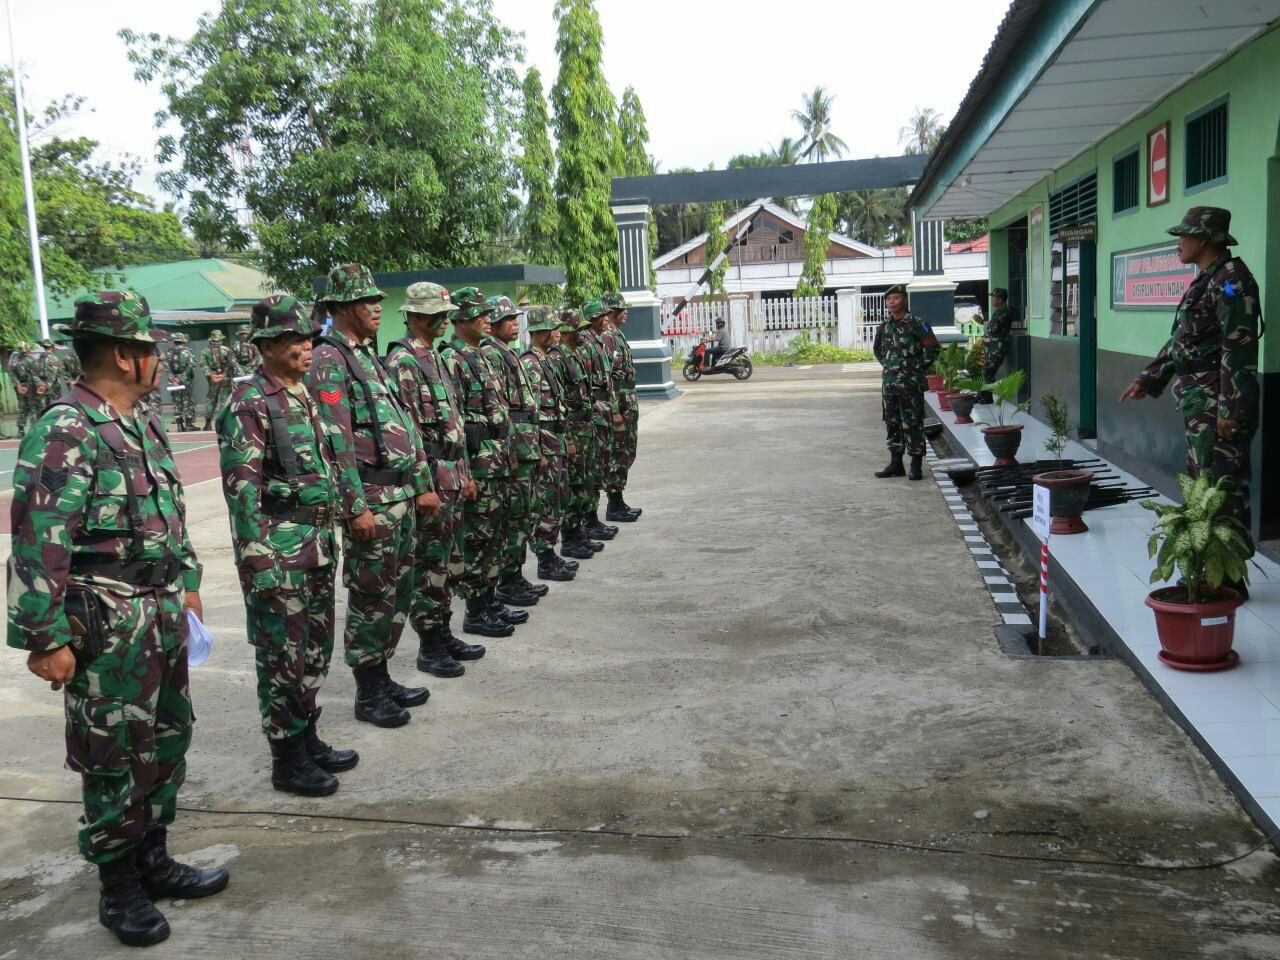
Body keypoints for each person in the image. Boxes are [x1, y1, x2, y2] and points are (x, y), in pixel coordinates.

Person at [7, 290, 227, 947]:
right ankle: (119, 886)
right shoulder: (66, 426)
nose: (160, 360)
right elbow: (38, 536)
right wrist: (44, 638)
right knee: (112, 756)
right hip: (103, 622)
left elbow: (170, 514)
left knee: (166, 741)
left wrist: (187, 583)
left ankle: (152, 860)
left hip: (157, 614)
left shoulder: (140, 420)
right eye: (152, 349)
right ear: (129, 356)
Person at [216, 295, 357, 797]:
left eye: (309, 339)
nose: (307, 347)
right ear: (269, 345)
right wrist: (260, 565)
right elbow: (242, 491)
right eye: (297, 340)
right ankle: (287, 758)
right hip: (279, 553)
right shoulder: (249, 403)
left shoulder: (303, 395)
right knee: (282, 659)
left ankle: (308, 737)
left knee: (314, 653)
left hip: (316, 545)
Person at [309, 263, 436, 727]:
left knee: (398, 593)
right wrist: (354, 506)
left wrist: (420, 482)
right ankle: (368, 691)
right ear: (341, 307)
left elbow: (401, 424)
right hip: (373, 501)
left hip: (398, 493)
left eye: (377, 300)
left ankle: (382, 677)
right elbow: (335, 441)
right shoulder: (329, 360)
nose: (377, 307)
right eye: (367, 301)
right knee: (371, 595)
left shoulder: (366, 355)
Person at [1120, 206, 1262, 597]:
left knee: (1223, 487)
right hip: (1202, 402)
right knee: (1204, 486)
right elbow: (1184, 340)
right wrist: (1149, 378)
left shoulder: (1232, 281)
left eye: (1184, 236)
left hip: (1219, 403)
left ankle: (1228, 578)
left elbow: (1239, 347)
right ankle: (1209, 571)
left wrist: (1230, 409)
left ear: (1204, 239)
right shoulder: (1206, 280)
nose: (1178, 242)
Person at [386, 282, 487, 675]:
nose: (443, 318)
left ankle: (443, 631)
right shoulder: (404, 361)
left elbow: (453, 422)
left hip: (453, 475)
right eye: (434, 313)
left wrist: (466, 472)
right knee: (430, 565)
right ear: (413, 316)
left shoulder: (439, 358)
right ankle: (429, 644)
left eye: (444, 311)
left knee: (451, 562)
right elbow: (408, 433)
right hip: (430, 479)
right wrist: (422, 485)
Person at [439, 288, 520, 637]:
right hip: (477, 461)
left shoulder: (482, 355)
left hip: (497, 456)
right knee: (476, 537)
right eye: (479, 315)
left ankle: (488, 600)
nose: (487, 320)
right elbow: (453, 420)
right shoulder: (453, 358)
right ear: (460, 320)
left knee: (495, 535)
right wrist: (465, 473)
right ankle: (474, 609)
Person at [481, 296, 547, 608]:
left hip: (525, 445)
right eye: (507, 319)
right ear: (492, 323)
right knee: (512, 517)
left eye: (513, 318)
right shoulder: (491, 354)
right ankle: (506, 580)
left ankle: (514, 574)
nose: (513, 323)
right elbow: (501, 409)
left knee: (524, 515)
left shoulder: (507, 352)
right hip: (514, 448)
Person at [521, 307, 577, 582]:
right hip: (544, 440)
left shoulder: (546, 360)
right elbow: (529, 412)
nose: (557, 333)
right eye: (552, 329)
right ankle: (544, 557)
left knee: (557, 498)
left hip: (555, 439)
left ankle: (551, 552)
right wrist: (538, 449)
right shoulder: (530, 363)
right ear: (539, 331)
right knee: (544, 502)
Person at [872, 284, 940, 481]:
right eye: (888, 299)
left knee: (912, 423)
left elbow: (932, 349)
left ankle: (916, 464)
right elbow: (878, 350)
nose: (891, 302)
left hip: (911, 384)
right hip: (890, 384)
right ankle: (896, 464)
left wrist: (916, 368)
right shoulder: (884, 326)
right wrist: (890, 366)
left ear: (905, 300)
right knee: (892, 423)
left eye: (896, 298)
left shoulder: (917, 323)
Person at [551, 311, 600, 561]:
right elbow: (559, 402)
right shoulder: (557, 358)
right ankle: (569, 538)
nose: (583, 333)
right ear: (567, 331)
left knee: (585, 482)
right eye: (577, 329)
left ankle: (579, 532)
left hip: (585, 426)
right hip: (574, 429)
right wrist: (568, 437)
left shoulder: (574, 355)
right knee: (574, 485)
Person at [579, 299, 621, 542]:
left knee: (602, 466)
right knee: (593, 469)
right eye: (602, 316)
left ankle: (593, 519)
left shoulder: (598, 342)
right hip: (594, 413)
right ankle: (589, 519)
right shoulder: (586, 344)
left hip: (603, 411)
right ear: (593, 318)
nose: (606, 318)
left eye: (607, 315)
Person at [601, 292, 642, 522]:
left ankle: (619, 499)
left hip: (628, 401)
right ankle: (613, 503)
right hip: (619, 403)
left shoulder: (618, 335)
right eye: (621, 308)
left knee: (627, 450)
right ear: (609, 312)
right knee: (617, 451)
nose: (625, 312)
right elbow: (605, 376)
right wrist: (614, 409)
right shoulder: (607, 338)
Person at [200, 329, 234, 430]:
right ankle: (223, 423)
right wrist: (224, 374)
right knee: (224, 400)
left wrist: (211, 375)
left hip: (213, 379)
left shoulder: (205, 351)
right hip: (225, 378)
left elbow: (203, 365)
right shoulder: (227, 350)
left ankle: (207, 424)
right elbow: (231, 364)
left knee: (211, 400)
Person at [165, 333, 198, 432]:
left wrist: (173, 379)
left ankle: (179, 425)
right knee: (187, 401)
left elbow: (167, 368)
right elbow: (191, 365)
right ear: (183, 341)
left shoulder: (169, 353)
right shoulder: (187, 352)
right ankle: (188, 424)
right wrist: (181, 378)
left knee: (176, 402)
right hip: (185, 381)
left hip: (173, 381)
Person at [983, 288, 1013, 385]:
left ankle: (987, 396)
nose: (992, 300)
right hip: (993, 347)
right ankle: (984, 395)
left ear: (1000, 299)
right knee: (987, 372)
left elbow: (993, 328)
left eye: (994, 297)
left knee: (988, 373)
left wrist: (982, 322)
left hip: (996, 348)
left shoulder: (1002, 312)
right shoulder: (999, 311)